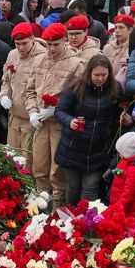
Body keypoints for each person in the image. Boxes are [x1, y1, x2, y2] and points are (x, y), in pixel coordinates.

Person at [25, 23, 85, 206]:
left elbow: (80, 99)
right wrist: (32, 112)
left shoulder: (76, 64)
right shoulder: (39, 60)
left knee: (57, 172)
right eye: (49, 45)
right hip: (41, 123)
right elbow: (30, 91)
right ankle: (40, 208)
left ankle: (57, 211)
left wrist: (58, 110)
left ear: (64, 41)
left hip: (60, 125)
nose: (51, 49)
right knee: (39, 168)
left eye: (55, 45)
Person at [52, 54, 121, 204]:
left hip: (98, 151)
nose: (100, 78)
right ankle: (71, 221)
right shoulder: (75, 88)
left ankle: (86, 224)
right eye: (96, 75)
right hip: (73, 148)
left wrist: (125, 118)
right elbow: (59, 111)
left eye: (104, 75)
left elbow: (117, 115)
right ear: (89, 73)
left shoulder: (115, 89)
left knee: (90, 189)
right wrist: (70, 121)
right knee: (73, 188)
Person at [1, 22, 46, 154]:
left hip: (31, 118)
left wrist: (35, 112)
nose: (20, 47)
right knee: (12, 157)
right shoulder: (12, 55)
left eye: (24, 43)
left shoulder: (42, 57)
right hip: (14, 116)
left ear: (32, 38)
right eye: (17, 43)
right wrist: (3, 95)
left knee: (27, 162)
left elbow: (42, 88)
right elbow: (6, 79)